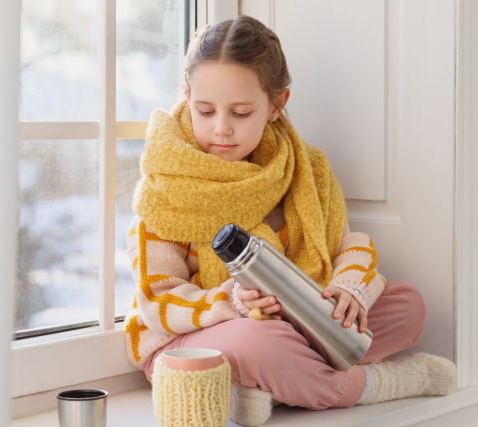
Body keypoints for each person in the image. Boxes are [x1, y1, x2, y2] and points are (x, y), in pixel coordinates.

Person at [124, 14, 457, 426]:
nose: (221, 129)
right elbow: (158, 301)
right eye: (205, 110)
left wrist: (347, 289)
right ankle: (378, 384)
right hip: (200, 340)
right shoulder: (168, 184)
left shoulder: (306, 169)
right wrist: (229, 302)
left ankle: (266, 388)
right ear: (186, 94)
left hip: (295, 325)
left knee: (407, 304)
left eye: (241, 113)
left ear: (277, 104)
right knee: (259, 341)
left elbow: (347, 245)